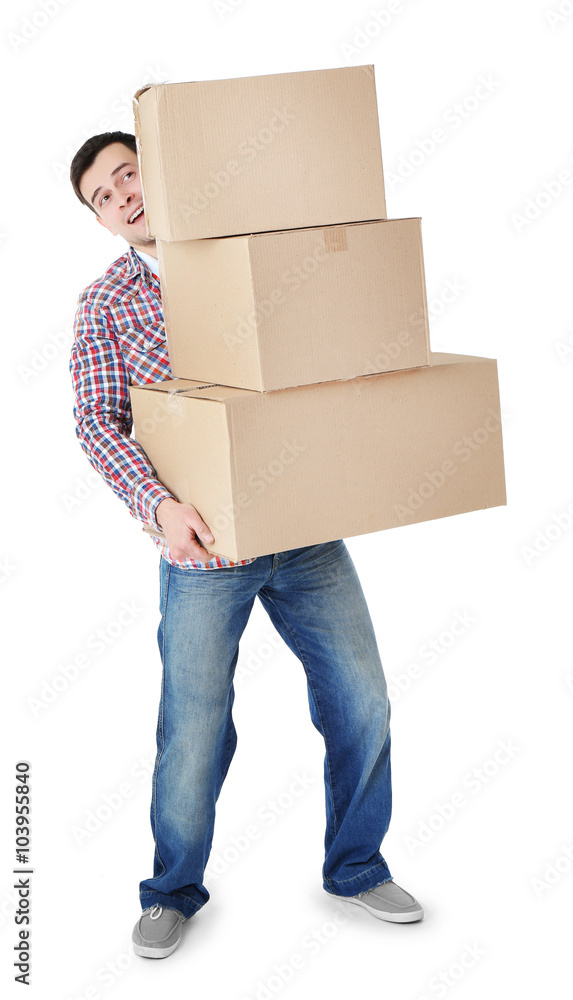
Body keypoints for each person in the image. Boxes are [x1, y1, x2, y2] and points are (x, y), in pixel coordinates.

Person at [69, 130, 424, 959]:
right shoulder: (107, 303)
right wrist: (157, 505)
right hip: (200, 556)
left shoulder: (260, 256)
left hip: (303, 532)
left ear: (161, 167)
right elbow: (96, 422)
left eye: (129, 173)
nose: (122, 194)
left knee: (362, 701)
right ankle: (171, 892)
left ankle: (357, 866)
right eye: (103, 196)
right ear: (102, 222)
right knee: (193, 732)